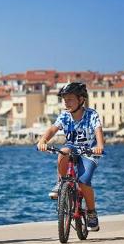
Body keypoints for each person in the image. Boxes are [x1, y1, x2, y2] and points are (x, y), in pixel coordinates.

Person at [37, 82, 104, 231]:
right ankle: (61, 183)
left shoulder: (91, 115)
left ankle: (91, 212)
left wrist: (99, 145)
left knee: (84, 181)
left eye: (70, 99)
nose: (66, 103)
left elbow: (98, 130)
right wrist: (43, 140)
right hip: (72, 147)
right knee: (63, 151)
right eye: (64, 100)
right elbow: (52, 129)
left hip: (89, 151)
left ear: (81, 100)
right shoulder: (64, 116)